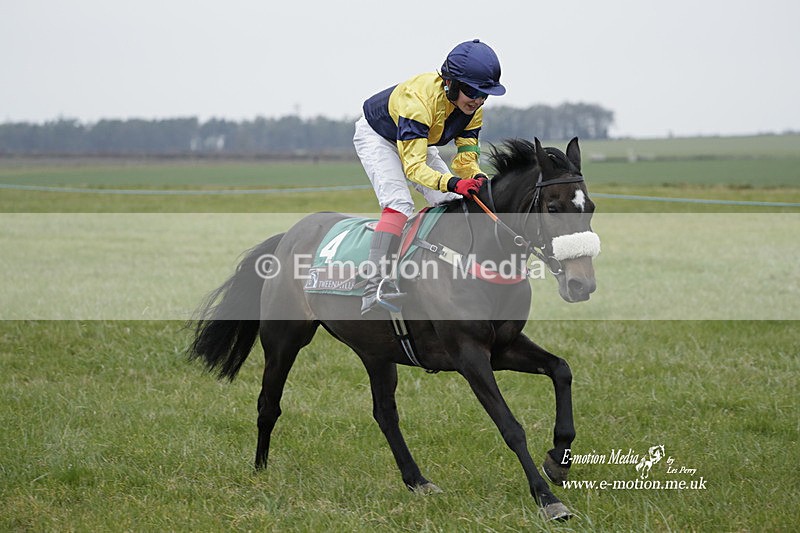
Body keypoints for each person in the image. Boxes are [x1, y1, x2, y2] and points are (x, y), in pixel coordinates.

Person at [354, 39, 506, 317]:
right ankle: (375, 283)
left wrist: (476, 179)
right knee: (399, 204)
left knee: (450, 199)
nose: (478, 100)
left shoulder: (473, 110)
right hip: (379, 137)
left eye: (485, 94)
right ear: (451, 84)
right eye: (473, 91)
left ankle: (441, 270)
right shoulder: (419, 102)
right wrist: (452, 181)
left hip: (418, 140)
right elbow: (413, 167)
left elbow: (466, 159)